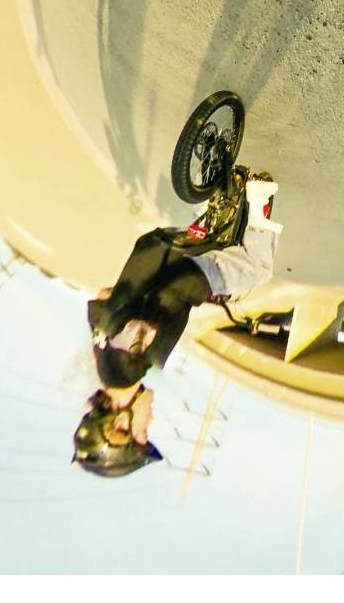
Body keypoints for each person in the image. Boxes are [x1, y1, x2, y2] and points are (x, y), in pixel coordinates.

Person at [72, 174, 283, 480]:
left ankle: (260, 193)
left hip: (182, 273)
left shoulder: (127, 368)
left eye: (144, 428)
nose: (152, 417)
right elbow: (104, 298)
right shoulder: (106, 364)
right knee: (213, 237)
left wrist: (185, 298)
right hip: (153, 253)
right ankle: (219, 180)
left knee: (256, 269)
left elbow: (148, 315)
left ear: (120, 425)